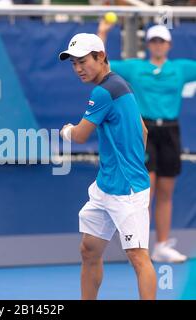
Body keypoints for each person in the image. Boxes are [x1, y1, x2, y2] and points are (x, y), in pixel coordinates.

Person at [59, 33, 156, 300]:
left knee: (138, 257)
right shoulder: (121, 85)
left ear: (100, 57)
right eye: (73, 63)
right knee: (89, 249)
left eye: (82, 61)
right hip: (105, 187)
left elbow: (79, 135)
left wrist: (65, 131)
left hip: (127, 190)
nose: (78, 69)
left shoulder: (103, 91)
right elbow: (144, 130)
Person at [98, 22, 196, 263]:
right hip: (145, 132)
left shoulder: (181, 69)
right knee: (146, 191)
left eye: (162, 41)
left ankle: (161, 245)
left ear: (169, 45)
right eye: (153, 41)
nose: (158, 45)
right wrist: (102, 32)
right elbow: (102, 65)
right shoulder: (135, 68)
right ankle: (138, 246)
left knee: (166, 192)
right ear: (148, 45)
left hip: (171, 133)